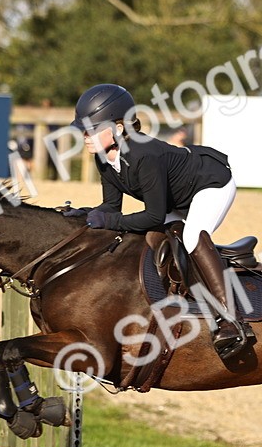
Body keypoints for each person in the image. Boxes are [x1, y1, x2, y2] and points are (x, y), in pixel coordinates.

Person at [68, 84, 249, 361]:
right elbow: (111, 207)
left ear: (119, 127)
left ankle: (230, 319)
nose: (85, 135)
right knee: (152, 239)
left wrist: (109, 220)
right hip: (175, 199)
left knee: (192, 237)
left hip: (210, 184)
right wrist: (84, 216)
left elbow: (152, 215)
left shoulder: (145, 155)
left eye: (92, 128)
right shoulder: (103, 157)